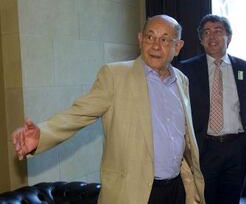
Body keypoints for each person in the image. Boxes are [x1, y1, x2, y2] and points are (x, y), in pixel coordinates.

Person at [12, 15, 205, 204]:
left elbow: (183, 136)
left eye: (164, 39)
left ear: (177, 47)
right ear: (140, 39)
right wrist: (42, 134)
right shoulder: (115, 75)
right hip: (137, 193)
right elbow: (79, 113)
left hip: (177, 189)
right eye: (150, 37)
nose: (155, 45)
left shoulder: (181, 80)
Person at [177, 14, 246, 204]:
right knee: (204, 199)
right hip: (204, 148)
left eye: (218, 31)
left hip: (236, 149)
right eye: (206, 32)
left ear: (229, 37)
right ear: (201, 40)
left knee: (231, 199)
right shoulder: (186, 69)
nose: (212, 37)